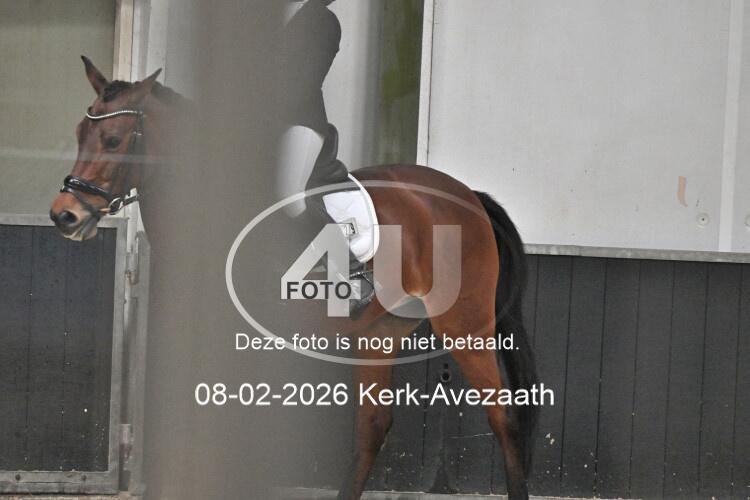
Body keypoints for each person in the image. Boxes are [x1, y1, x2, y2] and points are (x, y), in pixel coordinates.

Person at [277, 0, 374, 315]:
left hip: (301, 120)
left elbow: (305, 80)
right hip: (269, 125)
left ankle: (352, 274)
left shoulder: (323, 21)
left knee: (289, 197)